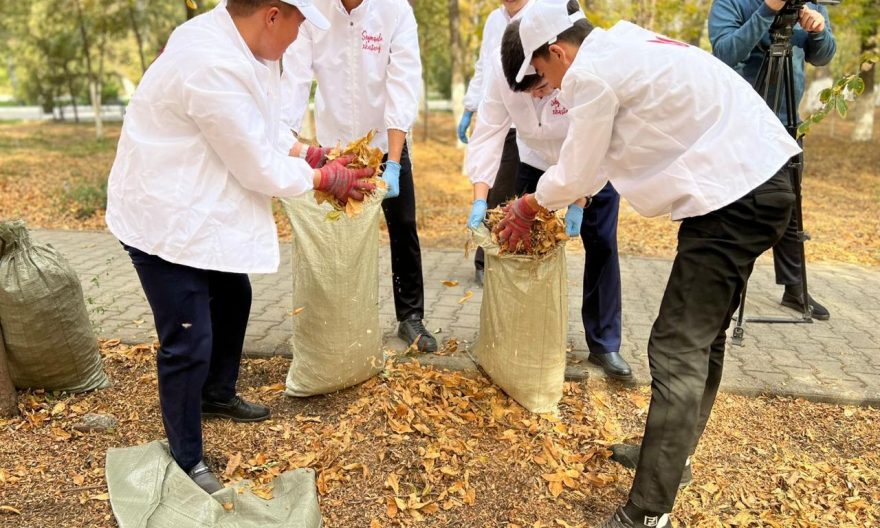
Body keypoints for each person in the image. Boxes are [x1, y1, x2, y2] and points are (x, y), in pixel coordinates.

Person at [498, 1, 801, 526]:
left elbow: (578, 169)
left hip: (736, 196)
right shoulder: (624, 45)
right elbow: (596, 161)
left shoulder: (592, 73)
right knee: (703, 337)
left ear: (557, 52)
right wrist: (564, 191)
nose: (549, 92)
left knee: (676, 345)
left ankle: (647, 511)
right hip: (755, 183)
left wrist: (530, 204)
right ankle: (670, 457)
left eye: (543, 77)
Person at [105, 0, 375, 495]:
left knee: (234, 295)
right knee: (188, 337)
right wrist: (323, 178)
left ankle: (216, 393)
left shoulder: (241, 46)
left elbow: (260, 126)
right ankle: (187, 458)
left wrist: (310, 153)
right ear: (272, 15)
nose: (296, 39)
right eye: (297, 25)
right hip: (161, 216)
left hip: (194, 201)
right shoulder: (209, 62)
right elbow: (256, 164)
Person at [465, 6, 632, 380]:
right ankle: (521, 335)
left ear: (545, 61)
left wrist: (579, 199)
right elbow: (489, 132)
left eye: (541, 86)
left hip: (594, 162)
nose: (541, 95)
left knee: (602, 245)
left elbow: (595, 143)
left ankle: (604, 344)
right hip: (536, 162)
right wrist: (480, 195)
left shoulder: (577, 65)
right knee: (522, 244)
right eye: (529, 92)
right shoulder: (500, 71)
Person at [282, 0, 438, 353]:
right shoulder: (311, 11)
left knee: (403, 225)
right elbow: (294, 81)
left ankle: (411, 316)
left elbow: (402, 83)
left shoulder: (395, 10)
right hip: (335, 149)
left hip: (386, 142)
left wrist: (393, 162)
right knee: (337, 233)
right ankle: (338, 316)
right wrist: (285, 144)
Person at [709, 0, 837, 320]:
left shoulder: (809, 4)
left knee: (789, 205)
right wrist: (767, 10)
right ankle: (726, 285)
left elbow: (823, 56)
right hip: (742, 121)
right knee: (739, 205)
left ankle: (795, 288)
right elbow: (724, 53)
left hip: (788, 123)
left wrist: (819, 31)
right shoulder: (731, 2)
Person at [460, 0, 535, 286]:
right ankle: (486, 259)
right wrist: (470, 106)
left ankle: (517, 259)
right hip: (497, 116)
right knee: (496, 194)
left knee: (521, 194)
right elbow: (484, 67)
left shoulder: (541, 13)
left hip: (529, 120)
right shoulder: (494, 19)